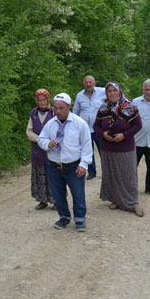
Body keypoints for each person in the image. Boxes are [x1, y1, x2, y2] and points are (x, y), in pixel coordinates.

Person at [38, 93, 92, 231]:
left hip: (73, 166)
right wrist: (47, 143)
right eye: (56, 108)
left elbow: (87, 146)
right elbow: (41, 139)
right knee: (58, 194)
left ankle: (80, 219)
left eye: (61, 108)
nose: (58, 111)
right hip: (54, 166)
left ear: (69, 106)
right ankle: (64, 217)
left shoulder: (80, 124)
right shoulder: (51, 124)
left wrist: (83, 165)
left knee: (78, 194)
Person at [93, 81, 144, 217]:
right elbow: (96, 126)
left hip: (125, 147)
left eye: (114, 90)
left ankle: (133, 202)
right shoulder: (103, 108)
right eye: (109, 91)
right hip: (107, 147)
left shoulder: (130, 107)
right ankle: (115, 199)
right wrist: (103, 134)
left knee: (128, 175)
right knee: (111, 175)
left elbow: (138, 126)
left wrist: (124, 135)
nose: (112, 93)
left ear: (119, 91)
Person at [73, 75, 107, 180]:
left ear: (94, 83)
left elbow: (114, 98)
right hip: (85, 129)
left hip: (99, 128)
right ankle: (92, 172)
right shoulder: (79, 96)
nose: (88, 84)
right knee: (88, 151)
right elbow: (75, 112)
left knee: (103, 150)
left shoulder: (103, 92)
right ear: (83, 84)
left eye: (90, 82)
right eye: (86, 82)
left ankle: (107, 172)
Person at [26, 88, 55, 210]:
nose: (42, 102)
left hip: (51, 148)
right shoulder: (33, 113)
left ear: (48, 99)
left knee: (53, 175)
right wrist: (39, 140)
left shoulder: (54, 112)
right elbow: (29, 131)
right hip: (38, 149)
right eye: (39, 100)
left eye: (44, 100)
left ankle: (56, 201)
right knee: (39, 175)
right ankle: (42, 200)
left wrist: (49, 142)